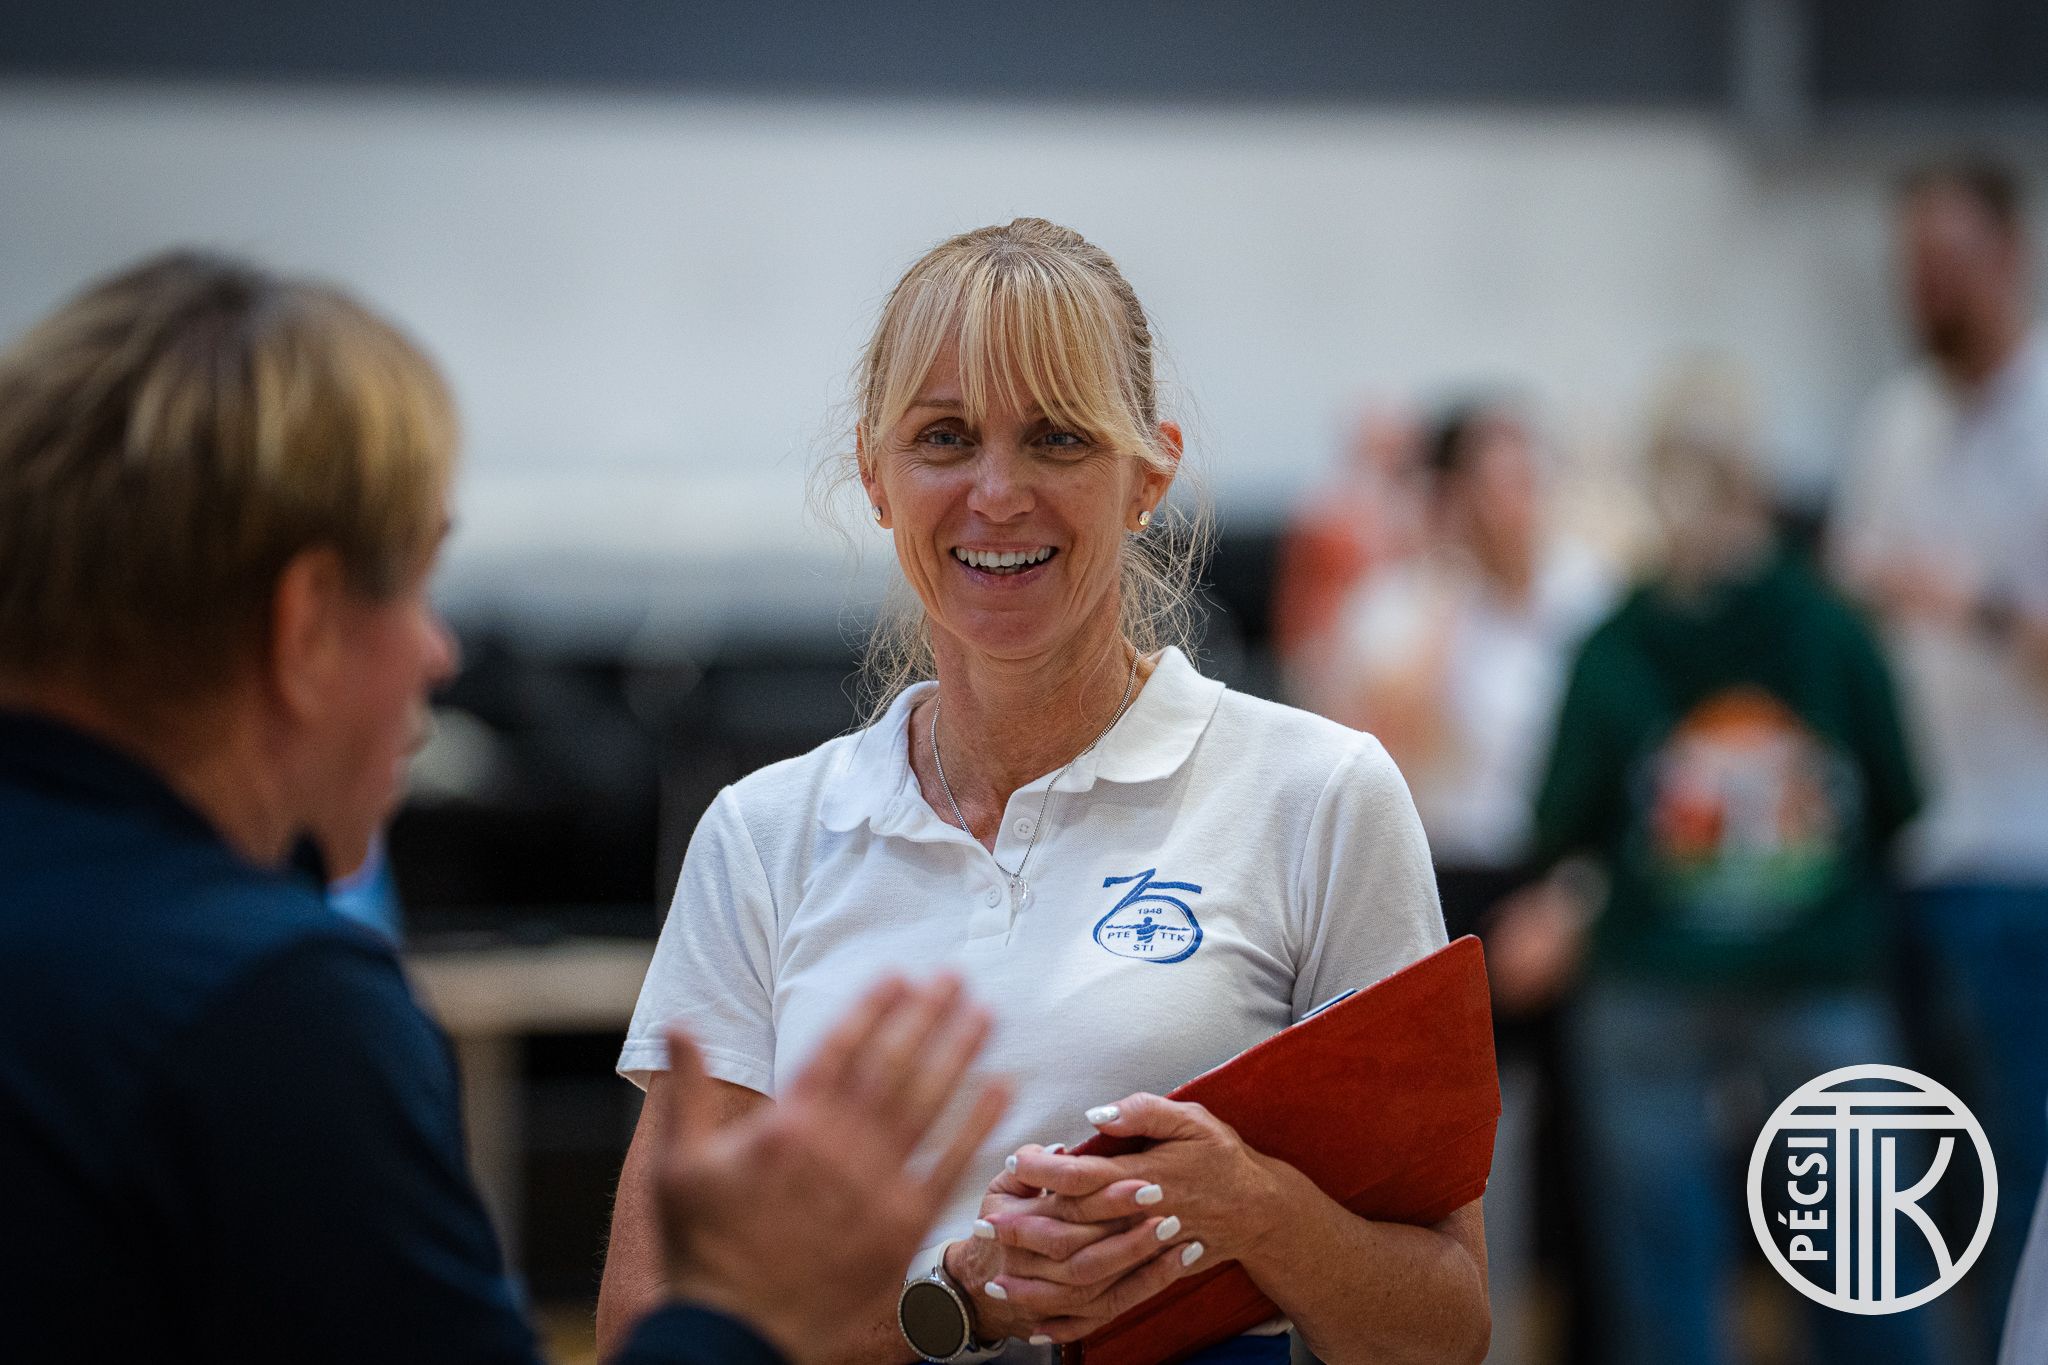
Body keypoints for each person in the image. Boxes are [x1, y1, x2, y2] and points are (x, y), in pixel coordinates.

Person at [0, 252, 1009, 1364]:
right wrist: (749, 1313)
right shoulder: (268, 1011)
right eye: (416, 585)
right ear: (306, 627)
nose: (439, 653)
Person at [598, 219, 1489, 1365]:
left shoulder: (1315, 795)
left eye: (1057, 437)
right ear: (875, 476)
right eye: (944, 437)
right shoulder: (762, 837)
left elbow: (1445, 1326)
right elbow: (645, 1324)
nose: (997, 491)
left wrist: (1256, 1210)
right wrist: (964, 1300)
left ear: (1148, 474)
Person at [1488, 363, 1933, 1365]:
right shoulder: (1831, 627)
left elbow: (1558, 819)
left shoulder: (1614, 641)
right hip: (1816, 973)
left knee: (1664, 1272)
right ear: (1758, 481)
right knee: (1863, 1258)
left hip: (1650, 980)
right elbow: (1903, 798)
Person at [1330, 396, 1613, 1364]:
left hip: (1560, 879)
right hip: (1438, 879)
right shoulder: (1398, 604)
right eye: (1492, 483)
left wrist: (1571, 900)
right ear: (1451, 494)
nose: (1514, 504)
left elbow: (1627, 773)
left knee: (1583, 1153)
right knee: (1439, 1154)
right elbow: (1384, 737)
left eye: (1527, 479)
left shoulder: (1587, 598)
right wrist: (1453, 584)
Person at [1829, 157, 2048, 1344]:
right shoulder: (1893, 421)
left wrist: (1972, 603)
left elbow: (1956, 604)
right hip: (1904, 854)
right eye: (1910, 265)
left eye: (1946, 262)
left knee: (2019, 1184)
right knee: (1889, 1195)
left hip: (2022, 861)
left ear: (2008, 256)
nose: (1923, 287)